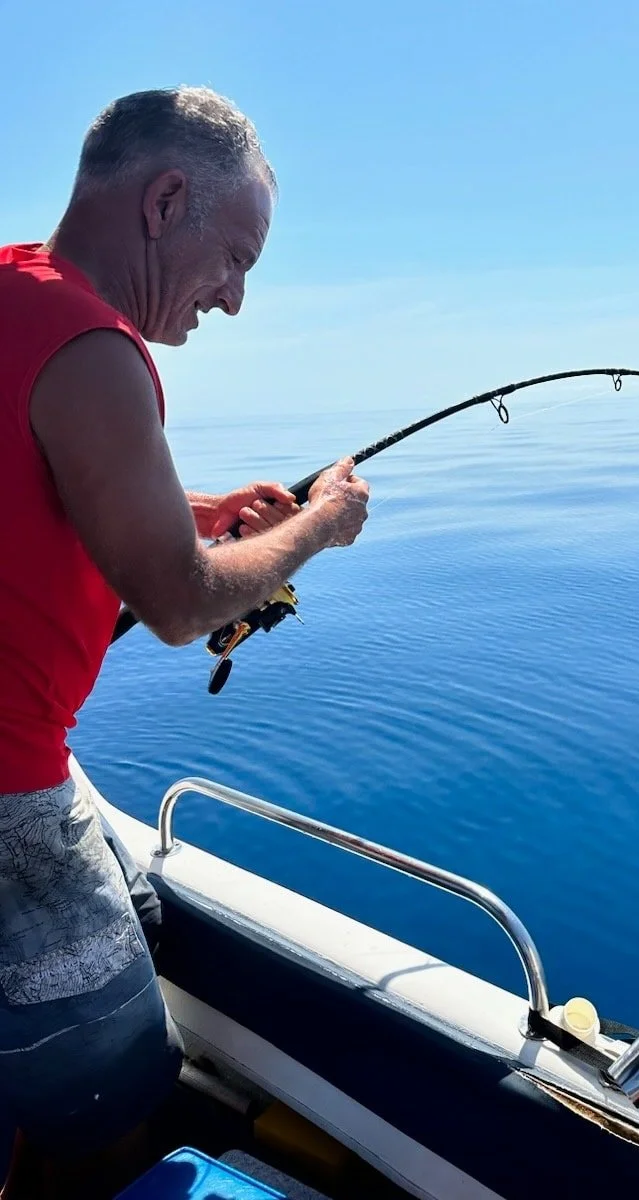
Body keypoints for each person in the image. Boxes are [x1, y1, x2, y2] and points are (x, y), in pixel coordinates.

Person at [0, 86, 370, 1195]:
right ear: (165, 202)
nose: (236, 299)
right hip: (9, 786)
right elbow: (177, 602)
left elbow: (38, 481)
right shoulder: (96, 348)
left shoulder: (15, 291)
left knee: (145, 914)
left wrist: (197, 507)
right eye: (235, 258)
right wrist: (318, 527)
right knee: (115, 1091)